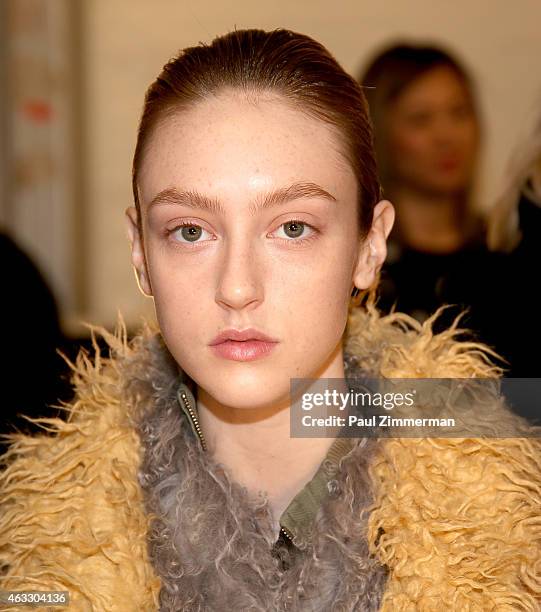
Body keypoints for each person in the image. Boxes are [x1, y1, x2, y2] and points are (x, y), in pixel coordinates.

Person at [1, 29, 539, 610]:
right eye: (190, 231)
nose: (237, 288)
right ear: (140, 251)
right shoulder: (41, 556)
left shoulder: (507, 526)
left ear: (369, 247)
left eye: (292, 228)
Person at [358, 43, 493, 334]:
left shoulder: (508, 251)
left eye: (459, 113)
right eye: (421, 119)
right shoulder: (361, 265)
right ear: (377, 133)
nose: (446, 136)